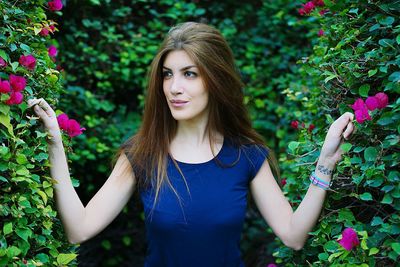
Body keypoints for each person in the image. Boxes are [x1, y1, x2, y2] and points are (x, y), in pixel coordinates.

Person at [28, 22, 355, 267]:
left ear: (216, 80)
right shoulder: (142, 154)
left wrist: (325, 163)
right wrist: (56, 143)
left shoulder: (246, 156)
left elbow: (293, 235)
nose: (174, 87)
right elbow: (78, 229)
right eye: (168, 75)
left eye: (189, 74)